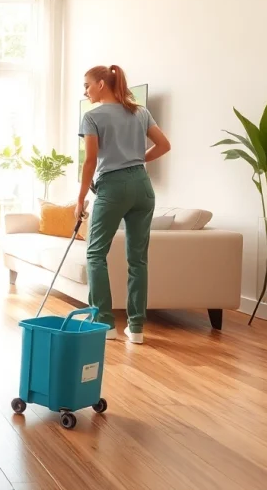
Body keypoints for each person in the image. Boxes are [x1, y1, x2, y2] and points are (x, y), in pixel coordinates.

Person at [76, 65, 170, 344]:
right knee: (138, 259)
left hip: (113, 187)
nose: (86, 90)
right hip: (143, 186)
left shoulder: (91, 117)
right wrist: (136, 160)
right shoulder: (140, 112)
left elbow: (90, 161)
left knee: (95, 254)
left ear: (102, 84)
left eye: (88, 85)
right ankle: (137, 328)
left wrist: (80, 198)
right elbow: (164, 145)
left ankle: (104, 322)